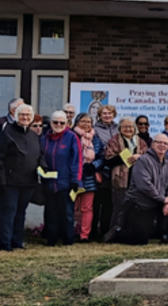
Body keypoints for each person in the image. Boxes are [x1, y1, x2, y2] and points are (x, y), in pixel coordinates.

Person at [104, 134, 168, 245]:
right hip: (140, 204)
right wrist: (163, 200)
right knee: (139, 239)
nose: (162, 145)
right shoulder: (143, 161)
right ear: (152, 144)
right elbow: (144, 186)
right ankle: (117, 232)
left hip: (158, 203)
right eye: (159, 142)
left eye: (165, 143)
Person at [0, 104, 44, 251]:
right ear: (16, 115)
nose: (25, 118)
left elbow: (39, 156)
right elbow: (1, 157)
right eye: (22, 115)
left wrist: (43, 168)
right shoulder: (7, 132)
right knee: (9, 212)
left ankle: (17, 242)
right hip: (10, 181)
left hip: (29, 181)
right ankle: (5, 243)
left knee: (21, 212)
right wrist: (3, 180)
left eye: (27, 115)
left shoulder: (33, 135)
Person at [41, 110, 82, 246]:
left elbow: (76, 160)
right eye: (55, 122)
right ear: (51, 123)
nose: (58, 124)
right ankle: (51, 239)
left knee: (67, 213)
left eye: (62, 122)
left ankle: (67, 239)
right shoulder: (44, 138)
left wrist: (75, 180)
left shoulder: (71, 137)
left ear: (66, 123)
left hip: (66, 182)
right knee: (50, 212)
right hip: (48, 182)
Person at [104, 116, 149, 230]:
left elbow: (149, 159)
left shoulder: (141, 142)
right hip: (120, 180)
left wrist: (139, 157)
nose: (128, 129)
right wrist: (125, 157)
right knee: (119, 207)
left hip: (137, 180)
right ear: (119, 128)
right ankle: (114, 232)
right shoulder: (114, 141)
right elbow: (108, 160)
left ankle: (130, 232)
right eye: (125, 126)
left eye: (130, 126)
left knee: (136, 208)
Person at [72, 113, 104, 243]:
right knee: (72, 207)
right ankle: (69, 232)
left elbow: (102, 156)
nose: (86, 124)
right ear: (77, 122)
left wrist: (94, 165)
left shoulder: (96, 139)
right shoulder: (72, 136)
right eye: (83, 121)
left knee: (87, 208)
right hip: (74, 176)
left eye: (89, 122)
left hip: (90, 177)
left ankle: (84, 235)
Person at [91, 104, 118, 239]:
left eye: (110, 113)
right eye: (104, 113)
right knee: (97, 204)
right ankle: (94, 232)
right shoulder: (94, 130)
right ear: (100, 115)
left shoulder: (118, 128)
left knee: (109, 204)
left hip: (115, 171)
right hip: (100, 170)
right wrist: (97, 168)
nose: (107, 116)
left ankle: (106, 231)